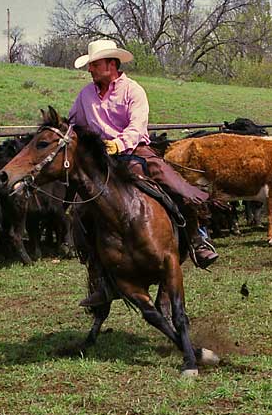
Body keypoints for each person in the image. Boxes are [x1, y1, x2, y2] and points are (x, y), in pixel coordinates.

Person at [68, 38, 218, 306]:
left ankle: (197, 240)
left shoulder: (133, 91)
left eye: (95, 64)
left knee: (174, 186)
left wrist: (119, 143)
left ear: (112, 65)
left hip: (135, 152)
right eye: (90, 65)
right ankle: (100, 274)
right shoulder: (84, 96)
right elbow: (73, 124)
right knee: (80, 208)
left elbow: (138, 127)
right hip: (103, 164)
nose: (90, 69)